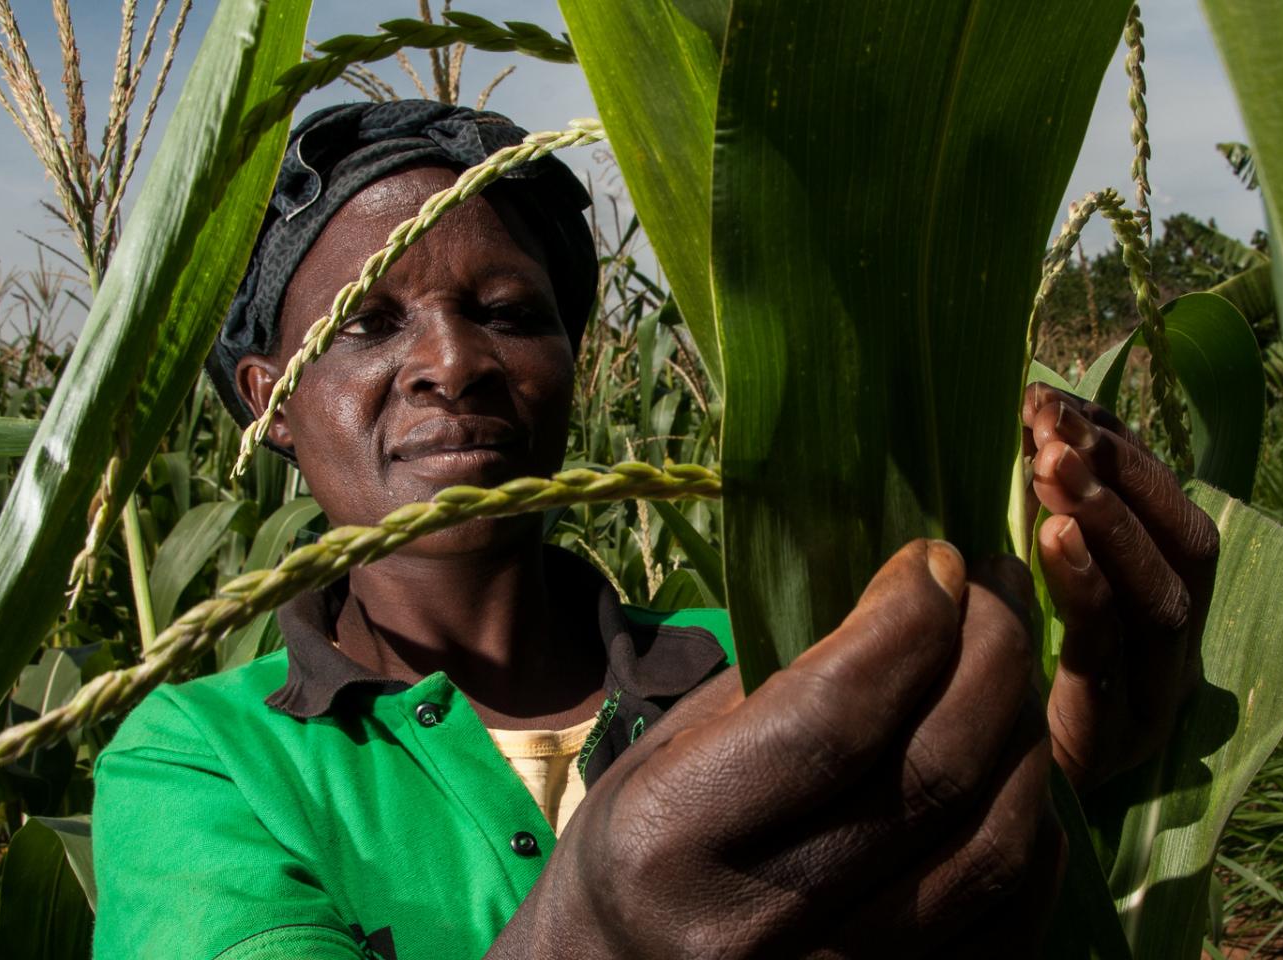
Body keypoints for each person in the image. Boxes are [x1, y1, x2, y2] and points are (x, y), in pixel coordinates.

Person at [91, 101, 1218, 959]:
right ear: (271, 400)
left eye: (507, 314)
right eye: (370, 323)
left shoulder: (787, 650)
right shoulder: (202, 761)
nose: (453, 362)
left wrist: (1060, 768)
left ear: (573, 365)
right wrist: (584, 930)